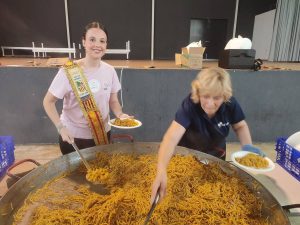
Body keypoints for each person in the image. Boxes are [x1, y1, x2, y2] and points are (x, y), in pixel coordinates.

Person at [150, 67, 264, 203]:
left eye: (216, 98)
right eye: (205, 96)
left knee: (214, 194)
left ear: (225, 95)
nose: (210, 104)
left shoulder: (230, 104)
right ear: (198, 93)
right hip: (188, 157)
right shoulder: (190, 105)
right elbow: (171, 137)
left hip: (216, 157)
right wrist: (161, 170)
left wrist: (247, 147)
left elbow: (240, 126)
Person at [43, 21, 131, 155]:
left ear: (106, 45)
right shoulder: (69, 71)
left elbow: (113, 100)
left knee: (101, 174)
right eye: (92, 40)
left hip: (103, 136)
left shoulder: (110, 71)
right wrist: (60, 128)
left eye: (102, 41)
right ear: (83, 42)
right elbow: (48, 102)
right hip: (74, 139)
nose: (97, 45)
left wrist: (120, 114)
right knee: (76, 176)